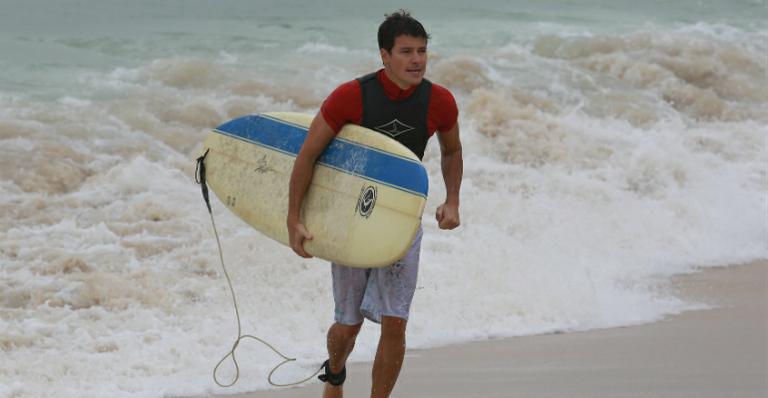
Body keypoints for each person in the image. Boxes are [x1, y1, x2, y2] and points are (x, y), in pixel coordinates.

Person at [286, 10, 463, 398]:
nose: (417, 60)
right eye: (406, 52)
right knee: (348, 325)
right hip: (350, 218)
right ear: (384, 55)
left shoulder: (440, 101)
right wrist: (293, 218)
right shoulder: (352, 96)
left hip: (400, 218)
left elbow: (451, 151)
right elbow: (307, 156)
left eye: (422, 51)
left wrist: (452, 200)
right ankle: (335, 373)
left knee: (395, 322)